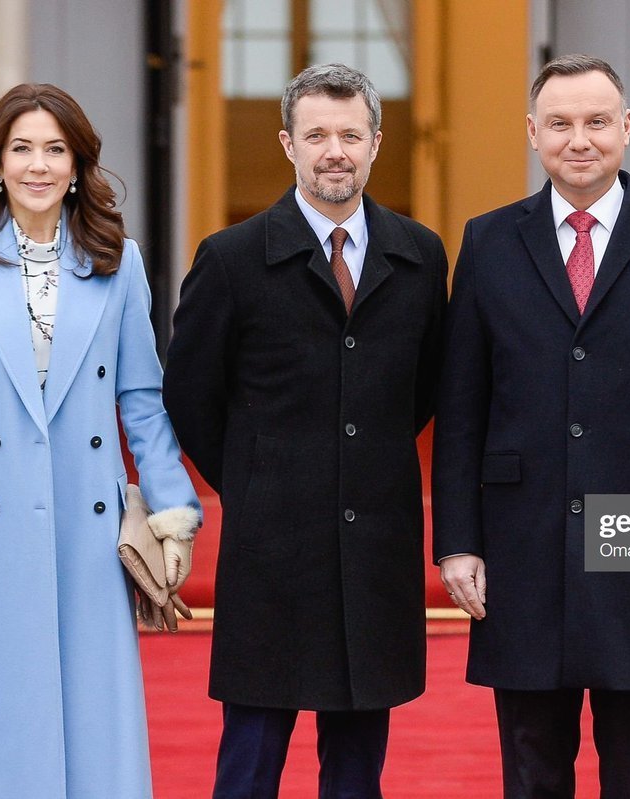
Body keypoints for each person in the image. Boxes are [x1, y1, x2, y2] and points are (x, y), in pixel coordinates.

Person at [433, 54, 630, 798]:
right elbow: (462, 406)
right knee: (531, 767)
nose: (580, 139)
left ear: (627, 128)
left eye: (597, 121)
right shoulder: (487, 242)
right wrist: (458, 541)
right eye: (561, 123)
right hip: (521, 539)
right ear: (533, 133)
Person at [0, 83, 201, 798]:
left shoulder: (117, 260)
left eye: (55, 149)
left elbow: (141, 401)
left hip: (83, 522)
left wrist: (173, 512)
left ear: (78, 165)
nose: (39, 165)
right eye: (22, 148)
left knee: (89, 714)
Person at [163, 63, 446, 798]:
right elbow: (190, 394)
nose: (334, 152)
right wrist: (255, 477)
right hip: (272, 548)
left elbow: (423, 388)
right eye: (316, 135)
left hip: (376, 545)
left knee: (357, 769)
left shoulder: (420, 256)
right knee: (251, 761)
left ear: (376, 142)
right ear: (288, 143)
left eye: (350, 135)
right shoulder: (231, 259)